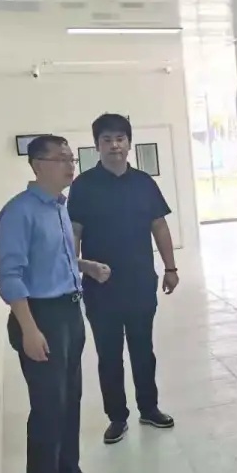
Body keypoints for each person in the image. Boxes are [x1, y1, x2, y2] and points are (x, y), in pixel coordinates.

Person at [0, 135, 115, 473]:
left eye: (71, 158)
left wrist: (86, 266)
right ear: (37, 165)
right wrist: (29, 329)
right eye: (61, 159)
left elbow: (53, 259)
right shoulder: (19, 213)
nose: (70, 165)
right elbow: (10, 277)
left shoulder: (59, 207)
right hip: (40, 317)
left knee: (69, 402)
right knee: (48, 408)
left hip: (69, 313)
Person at [67, 113, 177, 445]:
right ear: (97, 145)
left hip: (140, 281)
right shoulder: (84, 186)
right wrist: (75, 270)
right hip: (100, 286)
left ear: (129, 143)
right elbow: (74, 232)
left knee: (144, 349)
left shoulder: (144, 183)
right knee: (109, 354)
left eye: (120, 139)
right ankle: (117, 417)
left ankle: (149, 407)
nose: (114, 145)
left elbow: (159, 226)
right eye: (107, 140)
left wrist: (171, 268)